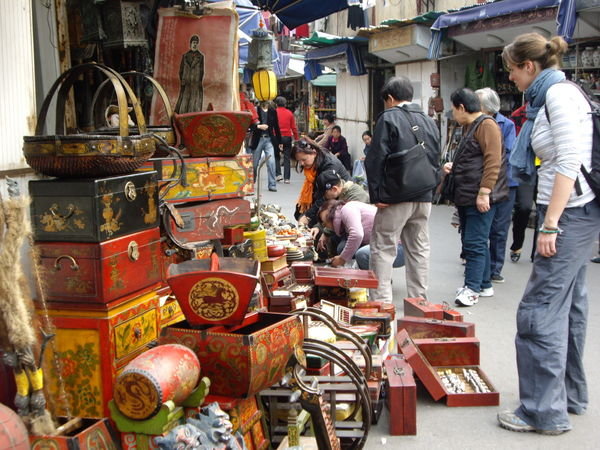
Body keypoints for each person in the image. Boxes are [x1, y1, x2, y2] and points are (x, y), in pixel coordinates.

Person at [496, 33, 599, 436]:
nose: (510, 78)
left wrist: (550, 223)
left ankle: (542, 411)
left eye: (511, 69)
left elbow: (570, 161)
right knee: (569, 306)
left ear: (529, 66)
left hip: (570, 213)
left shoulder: (557, 95)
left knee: (538, 311)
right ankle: (569, 396)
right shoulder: (557, 94)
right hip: (576, 211)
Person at [365, 76, 440, 301]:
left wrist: (377, 194)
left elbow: (375, 158)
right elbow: (435, 157)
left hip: (395, 197)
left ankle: (381, 306)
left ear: (389, 98)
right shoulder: (429, 120)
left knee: (383, 248)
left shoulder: (388, 118)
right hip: (424, 196)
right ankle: (419, 303)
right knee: (418, 250)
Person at [443, 88, 508, 307]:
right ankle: (484, 284)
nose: (452, 114)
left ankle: (471, 289)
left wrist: (484, 193)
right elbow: (475, 159)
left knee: (474, 242)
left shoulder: (487, 125)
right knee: (476, 241)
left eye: (453, 109)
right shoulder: (471, 126)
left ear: (462, 107)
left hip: (478, 195)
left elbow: (493, 162)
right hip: (467, 193)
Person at [475, 88, 517, 283]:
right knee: (481, 226)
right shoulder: (474, 122)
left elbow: (505, 153)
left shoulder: (506, 125)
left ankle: (494, 268)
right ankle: (481, 265)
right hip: (484, 180)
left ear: (487, 107)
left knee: (499, 228)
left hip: (505, 183)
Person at [318, 199, 404, 270]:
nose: (327, 224)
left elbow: (357, 235)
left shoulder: (347, 209)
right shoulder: (343, 213)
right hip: (383, 243)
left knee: (362, 255)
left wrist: (342, 259)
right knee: (343, 247)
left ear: (333, 210)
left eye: (326, 218)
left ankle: (379, 281)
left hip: (397, 247)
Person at [291, 138, 349, 228]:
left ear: (314, 153)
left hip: (340, 199)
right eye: (299, 160)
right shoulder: (315, 162)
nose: (301, 163)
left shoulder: (330, 165)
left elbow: (325, 196)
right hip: (325, 194)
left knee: (314, 224)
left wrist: (308, 216)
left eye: (304, 159)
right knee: (299, 214)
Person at [508, 103, 536, 263]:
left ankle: (536, 253)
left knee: (543, 209)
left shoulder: (555, 112)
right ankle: (517, 245)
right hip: (526, 166)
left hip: (549, 166)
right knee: (524, 207)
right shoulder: (519, 115)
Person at [249, 101, 281, 192]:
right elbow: (249, 125)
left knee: (271, 162)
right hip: (258, 139)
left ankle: (272, 184)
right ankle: (252, 181)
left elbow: (276, 127)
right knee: (254, 164)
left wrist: (279, 142)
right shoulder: (255, 110)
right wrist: (259, 126)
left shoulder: (272, 111)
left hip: (269, 140)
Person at [175, 35, 204, 114]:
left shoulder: (201, 57)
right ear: (190, 44)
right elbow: (181, 70)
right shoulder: (185, 56)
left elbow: (201, 72)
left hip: (195, 84)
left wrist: (198, 82)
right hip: (186, 84)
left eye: (196, 43)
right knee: (183, 104)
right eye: (193, 43)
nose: (195, 45)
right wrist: (183, 80)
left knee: (194, 105)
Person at [274, 96, 299, 183]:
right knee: (287, 157)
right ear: (285, 104)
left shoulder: (273, 112)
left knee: (276, 156)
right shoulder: (289, 113)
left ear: (276, 104)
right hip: (287, 137)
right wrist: (296, 138)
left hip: (276, 137)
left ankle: (278, 175)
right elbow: (294, 127)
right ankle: (287, 178)